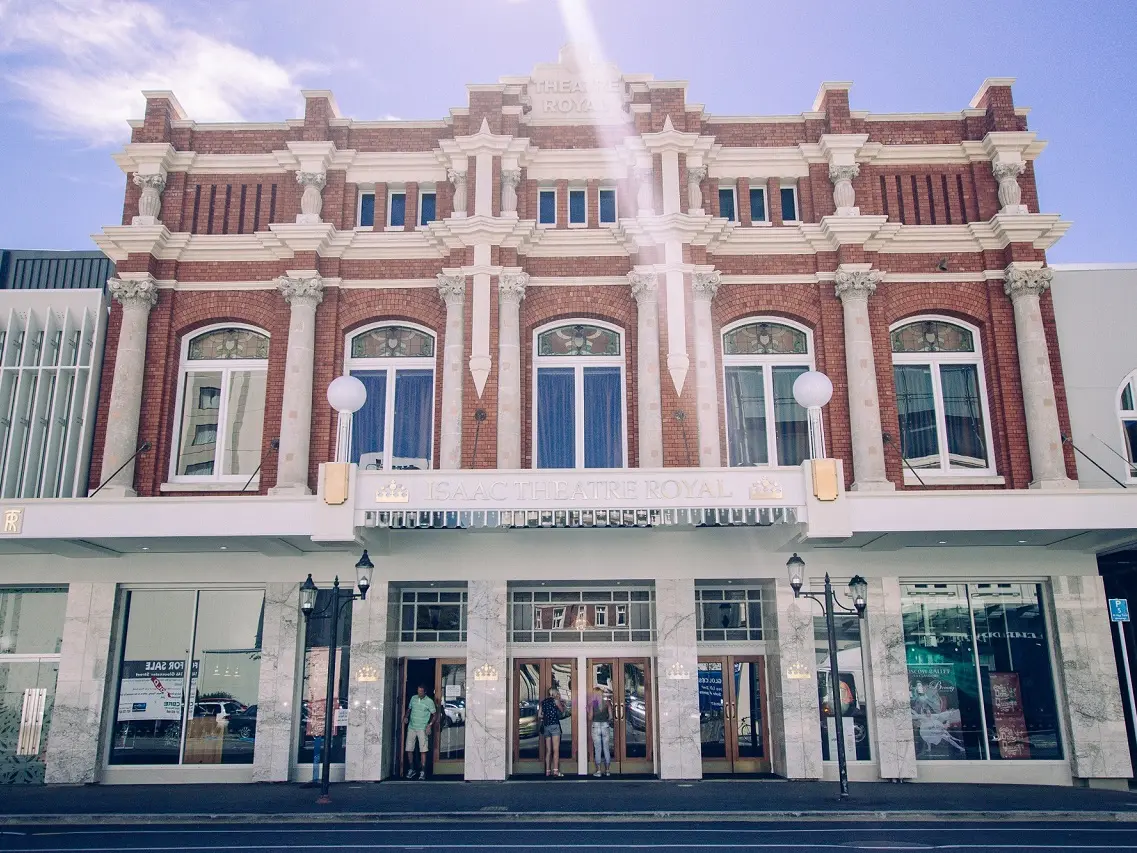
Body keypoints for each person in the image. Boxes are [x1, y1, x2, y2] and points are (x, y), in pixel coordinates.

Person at [403, 684, 436, 779]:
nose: (419, 693)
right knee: (409, 748)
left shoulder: (429, 701)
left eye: (421, 691)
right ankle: (411, 769)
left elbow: (435, 714)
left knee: (423, 750)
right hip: (411, 727)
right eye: (418, 691)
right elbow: (409, 709)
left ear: (425, 692)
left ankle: (423, 771)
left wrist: (429, 725)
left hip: (422, 728)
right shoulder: (413, 698)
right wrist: (406, 717)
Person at [539, 686, 566, 777]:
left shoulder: (543, 702)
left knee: (548, 750)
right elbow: (562, 711)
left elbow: (540, 715)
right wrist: (562, 703)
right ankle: (555, 771)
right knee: (556, 750)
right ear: (554, 693)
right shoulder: (556, 701)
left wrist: (546, 716)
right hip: (555, 725)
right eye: (557, 693)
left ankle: (547, 771)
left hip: (546, 726)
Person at [589, 686, 613, 777]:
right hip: (605, 726)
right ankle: (607, 771)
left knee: (598, 749)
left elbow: (590, 718)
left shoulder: (593, 704)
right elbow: (611, 716)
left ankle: (598, 771)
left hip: (595, 726)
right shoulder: (607, 703)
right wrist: (606, 718)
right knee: (606, 748)